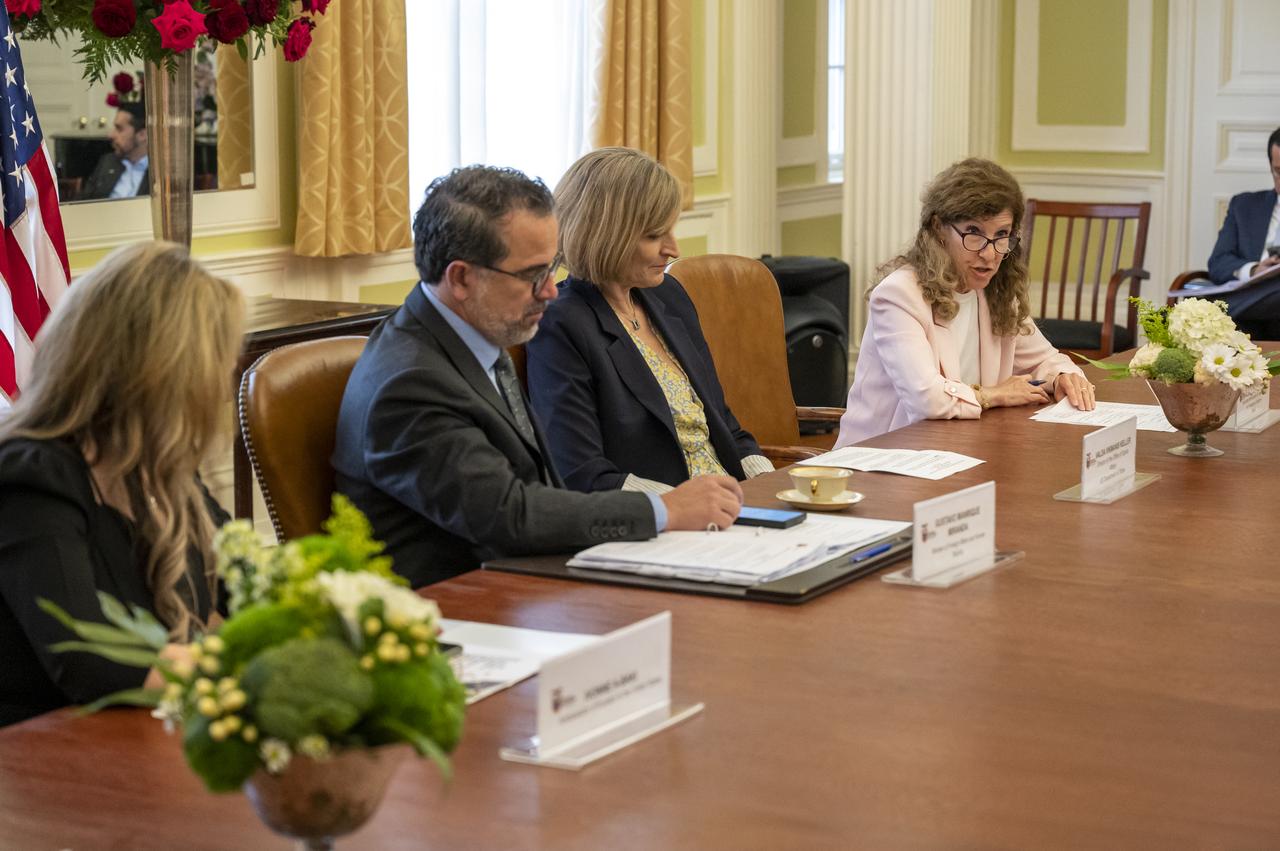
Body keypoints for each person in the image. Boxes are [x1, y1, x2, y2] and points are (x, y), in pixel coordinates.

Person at [331, 165, 742, 588]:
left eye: (551, 269)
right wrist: (665, 511)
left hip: (531, 579)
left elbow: (541, 488)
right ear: (461, 278)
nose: (550, 291)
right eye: (533, 276)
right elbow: (509, 515)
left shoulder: (477, 332)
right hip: (460, 609)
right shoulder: (409, 383)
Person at [0, 242, 244, 727]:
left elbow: (247, 587)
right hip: (45, 760)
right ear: (159, 374)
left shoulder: (155, 464)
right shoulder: (29, 476)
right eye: (215, 362)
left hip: (142, 736)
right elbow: (91, 658)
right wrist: (247, 671)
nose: (222, 383)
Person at [525, 147, 772, 495]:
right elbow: (582, 474)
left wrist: (774, 487)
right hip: (661, 524)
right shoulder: (561, 324)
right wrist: (679, 505)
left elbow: (725, 428)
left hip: (731, 507)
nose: (674, 249)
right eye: (655, 235)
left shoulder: (668, 294)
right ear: (606, 234)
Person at [836, 158, 1094, 448]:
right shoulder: (898, 295)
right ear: (938, 229)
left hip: (957, 449)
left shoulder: (996, 293)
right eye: (974, 234)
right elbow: (926, 399)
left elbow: (1045, 359)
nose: (989, 254)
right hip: (882, 459)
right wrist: (993, 394)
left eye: (1001, 236)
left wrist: (1063, 377)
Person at [1206, 125, 1280, 339]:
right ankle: (1220, 309)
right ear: (1270, 167)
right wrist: (1255, 269)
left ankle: (1213, 309)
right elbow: (1218, 263)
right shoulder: (1244, 206)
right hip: (1250, 312)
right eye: (1279, 171)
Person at [81, 102, 150, 200]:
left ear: (142, 135)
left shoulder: (158, 173)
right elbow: (84, 201)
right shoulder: (108, 162)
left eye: (119, 129)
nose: (111, 135)